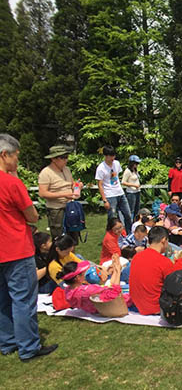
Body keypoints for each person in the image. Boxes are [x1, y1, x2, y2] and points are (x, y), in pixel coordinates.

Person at [0, 133, 58, 361]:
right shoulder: (11, 183)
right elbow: (32, 215)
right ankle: (29, 347)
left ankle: (8, 342)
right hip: (15, 248)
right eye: (15, 156)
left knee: (3, 299)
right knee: (23, 300)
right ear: (4, 155)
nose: (17, 160)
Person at [58, 257, 133, 314]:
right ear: (77, 278)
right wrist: (118, 270)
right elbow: (115, 294)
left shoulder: (69, 291)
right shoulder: (87, 291)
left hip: (103, 305)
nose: (85, 272)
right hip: (120, 304)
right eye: (83, 272)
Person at [129, 226, 174, 315]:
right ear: (164, 240)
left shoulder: (136, 257)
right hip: (156, 308)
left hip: (137, 305)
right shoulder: (164, 262)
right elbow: (173, 288)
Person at [38, 145, 76, 239]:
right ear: (53, 159)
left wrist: (77, 186)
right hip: (56, 209)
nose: (66, 160)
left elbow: (72, 184)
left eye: (66, 157)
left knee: (73, 235)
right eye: (63, 157)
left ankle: (72, 249)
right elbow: (42, 193)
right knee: (59, 238)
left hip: (70, 206)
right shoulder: (46, 173)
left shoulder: (67, 169)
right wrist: (63, 195)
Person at [95, 146, 133, 235]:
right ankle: (110, 236)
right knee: (112, 218)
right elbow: (100, 184)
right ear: (105, 156)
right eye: (111, 156)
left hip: (120, 193)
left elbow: (117, 176)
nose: (113, 158)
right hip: (110, 195)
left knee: (128, 214)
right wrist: (104, 200)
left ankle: (129, 234)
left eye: (114, 155)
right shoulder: (101, 168)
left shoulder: (117, 163)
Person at [122, 155, 142, 219]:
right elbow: (123, 182)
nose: (137, 165)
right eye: (136, 163)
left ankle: (135, 221)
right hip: (131, 193)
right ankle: (129, 221)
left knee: (137, 209)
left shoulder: (135, 170)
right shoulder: (127, 171)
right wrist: (134, 185)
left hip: (137, 191)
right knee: (131, 210)